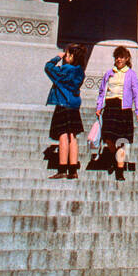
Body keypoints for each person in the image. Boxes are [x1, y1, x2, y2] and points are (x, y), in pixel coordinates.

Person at [95, 45, 138, 181]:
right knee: (108, 138)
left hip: (124, 108)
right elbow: (102, 92)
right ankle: (114, 157)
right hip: (110, 107)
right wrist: (99, 106)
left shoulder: (131, 74)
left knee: (122, 141)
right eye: (117, 57)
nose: (119, 59)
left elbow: (137, 94)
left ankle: (119, 170)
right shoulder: (109, 73)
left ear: (127, 58)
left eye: (121, 57)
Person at [45, 44, 86, 180]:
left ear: (72, 57)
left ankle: (62, 168)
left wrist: (57, 57)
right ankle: (73, 169)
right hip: (74, 105)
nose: (64, 57)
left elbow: (48, 68)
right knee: (72, 136)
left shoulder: (64, 70)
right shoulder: (80, 71)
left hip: (63, 103)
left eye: (67, 54)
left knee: (63, 135)